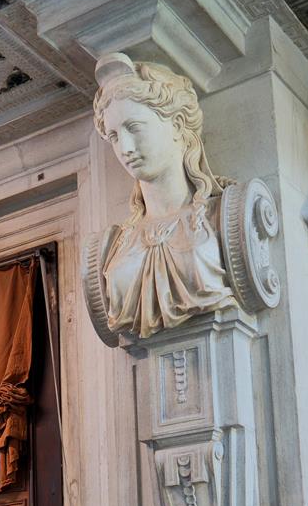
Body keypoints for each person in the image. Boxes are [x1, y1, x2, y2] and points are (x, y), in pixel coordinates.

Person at [92, 53, 236, 338]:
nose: (125, 148)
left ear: (178, 125)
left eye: (134, 128)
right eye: (114, 136)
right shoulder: (117, 243)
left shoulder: (221, 216)